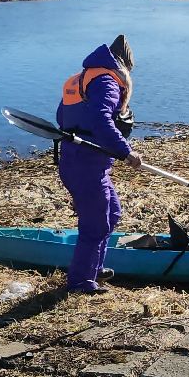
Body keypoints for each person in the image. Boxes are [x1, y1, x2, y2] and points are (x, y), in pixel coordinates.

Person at [56, 35, 143, 294]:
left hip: (78, 158)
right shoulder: (107, 81)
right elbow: (100, 120)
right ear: (123, 65)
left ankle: (94, 268)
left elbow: (62, 116)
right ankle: (81, 282)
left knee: (112, 213)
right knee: (95, 224)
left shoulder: (84, 78)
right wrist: (126, 151)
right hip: (85, 163)